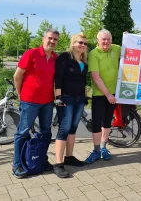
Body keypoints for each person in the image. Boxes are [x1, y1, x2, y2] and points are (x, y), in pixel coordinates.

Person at [12, 29, 60, 178]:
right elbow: (17, 75)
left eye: (55, 40)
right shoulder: (31, 54)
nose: (52, 42)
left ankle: (41, 160)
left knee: (45, 132)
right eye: (50, 38)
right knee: (23, 132)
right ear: (43, 38)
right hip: (29, 101)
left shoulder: (55, 58)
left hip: (47, 101)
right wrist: (21, 94)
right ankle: (17, 164)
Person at [53, 33, 88, 178]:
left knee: (73, 128)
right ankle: (58, 163)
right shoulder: (65, 57)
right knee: (64, 128)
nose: (83, 46)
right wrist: (58, 97)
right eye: (80, 42)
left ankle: (69, 157)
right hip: (66, 97)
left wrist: (85, 96)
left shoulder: (84, 60)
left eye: (85, 44)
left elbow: (84, 80)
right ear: (73, 43)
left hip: (79, 98)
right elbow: (58, 78)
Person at [85, 29, 121, 163]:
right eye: (103, 39)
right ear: (98, 40)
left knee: (107, 122)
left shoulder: (115, 49)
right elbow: (95, 76)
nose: (106, 42)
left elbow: (131, 49)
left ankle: (103, 148)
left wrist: (130, 38)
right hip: (101, 94)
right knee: (96, 123)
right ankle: (95, 151)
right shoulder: (94, 54)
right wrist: (107, 95)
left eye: (108, 39)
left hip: (113, 94)